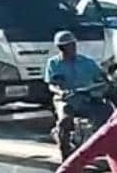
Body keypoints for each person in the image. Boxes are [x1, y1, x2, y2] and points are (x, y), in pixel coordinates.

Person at [45, 31, 112, 160]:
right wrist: (60, 91)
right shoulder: (53, 63)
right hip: (66, 100)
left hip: (87, 98)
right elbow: (51, 84)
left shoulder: (87, 62)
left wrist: (104, 84)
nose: (70, 49)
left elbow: (101, 79)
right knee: (65, 119)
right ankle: (65, 153)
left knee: (107, 113)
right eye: (65, 47)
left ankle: (103, 146)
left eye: (72, 45)